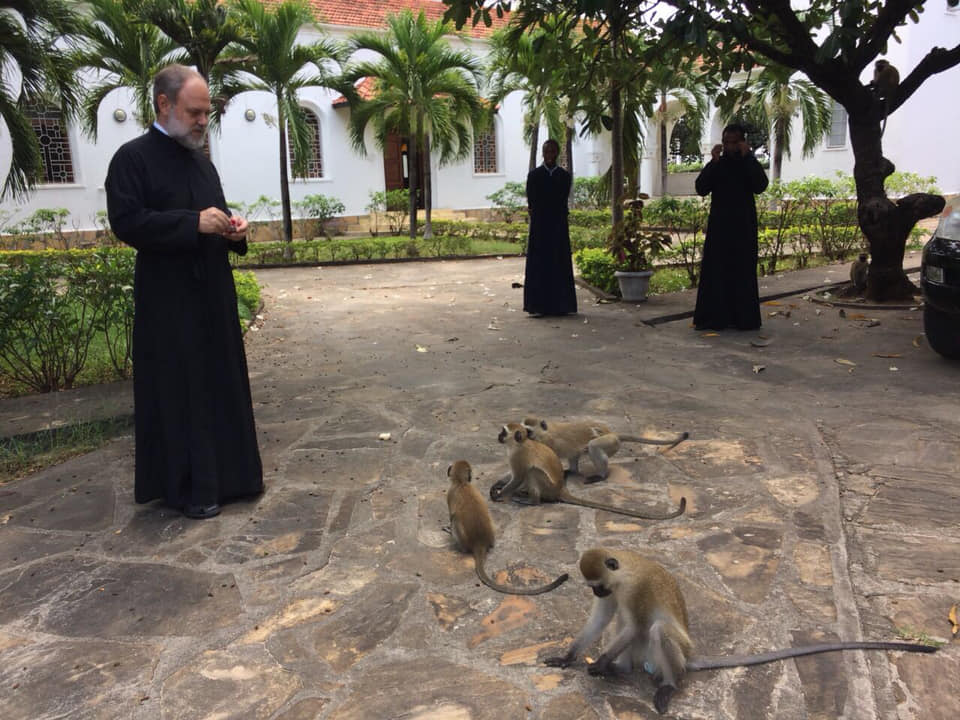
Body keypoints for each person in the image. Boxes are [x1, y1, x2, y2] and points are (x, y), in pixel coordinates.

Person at [105, 65, 263, 519]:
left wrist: (236, 229)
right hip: (169, 301)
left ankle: (237, 479)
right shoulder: (132, 159)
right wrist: (191, 224)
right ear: (164, 104)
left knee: (222, 383)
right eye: (194, 112)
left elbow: (218, 211)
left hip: (213, 293)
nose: (202, 121)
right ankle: (192, 489)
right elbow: (127, 222)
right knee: (185, 388)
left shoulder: (201, 160)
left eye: (206, 113)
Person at [693, 123, 769, 331]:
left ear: (742, 142)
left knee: (742, 271)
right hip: (720, 227)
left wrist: (749, 158)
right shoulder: (719, 164)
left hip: (743, 226)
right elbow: (701, 188)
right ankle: (715, 318)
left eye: (734, 142)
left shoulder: (748, 163)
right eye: (727, 142)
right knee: (716, 271)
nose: (730, 147)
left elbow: (761, 186)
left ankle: (743, 319)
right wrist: (713, 162)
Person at [523, 138, 577, 316]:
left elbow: (562, 200)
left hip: (558, 226)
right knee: (540, 264)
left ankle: (561, 306)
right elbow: (532, 202)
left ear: (557, 154)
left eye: (553, 151)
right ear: (542, 153)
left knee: (559, 262)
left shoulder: (564, 176)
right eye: (547, 151)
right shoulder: (534, 176)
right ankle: (538, 306)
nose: (550, 155)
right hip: (540, 227)